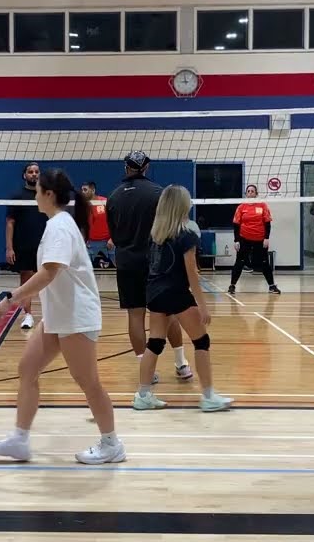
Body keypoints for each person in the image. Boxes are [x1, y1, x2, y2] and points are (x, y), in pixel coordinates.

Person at [0, 168, 125, 464]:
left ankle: (112, 444)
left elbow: (48, 273)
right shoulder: (56, 224)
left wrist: (10, 299)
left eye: (38, 191)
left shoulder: (60, 226)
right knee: (27, 369)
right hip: (58, 314)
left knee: (88, 382)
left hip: (75, 315)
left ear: (49, 195)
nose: (34, 195)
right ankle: (20, 440)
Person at [133, 184, 233, 412]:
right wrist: (202, 305)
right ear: (182, 205)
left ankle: (143, 395)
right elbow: (192, 273)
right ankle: (208, 396)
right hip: (175, 292)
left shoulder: (156, 234)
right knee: (201, 341)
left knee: (155, 343)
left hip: (154, 291)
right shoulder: (186, 235)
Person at [106, 151, 191, 382]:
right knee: (168, 313)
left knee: (135, 315)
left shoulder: (112, 197)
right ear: (146, 167)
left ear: (126, 168)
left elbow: (113, 235)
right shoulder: (159, 193)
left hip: (126, 263)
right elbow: (170, 229)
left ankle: (147, 371)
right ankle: (181, 364)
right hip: (156, 263)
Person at [6, 163, 46, 330]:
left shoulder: (46, 195)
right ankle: (28, 315)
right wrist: (9, 248)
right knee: (26, 281)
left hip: (45, 244)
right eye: (30, 172)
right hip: (24, 244)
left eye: (37, 172)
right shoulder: (17, 196)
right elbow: (10, 223)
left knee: (48, 280)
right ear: (24, 175)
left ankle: (49, 316)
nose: (34, 174)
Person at [228, 184, 281, 295]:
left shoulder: (262, 206)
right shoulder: (241, 207)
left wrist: (266, 238)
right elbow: (236, 225)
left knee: (264, 262)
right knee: (240, 262)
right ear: (246, 194)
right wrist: (236, 240)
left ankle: (272, 286)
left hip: (260, 239)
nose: (251, 193)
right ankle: (232, 286)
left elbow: (267, 223)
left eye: (253, 191)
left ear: (256, 194)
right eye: (249, 191)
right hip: (244, 239)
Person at [81, 181, 114, 267]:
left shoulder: (105, 202)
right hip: (90, 243)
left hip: (108, 243)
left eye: (85, 190)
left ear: (93, 190)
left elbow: (115, 221)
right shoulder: (83, 206)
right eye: (82, 190)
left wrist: (112, 239)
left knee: (118, 268)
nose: (83, 192)